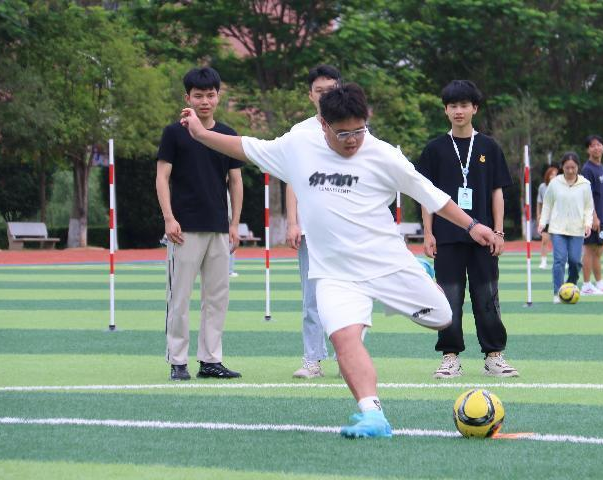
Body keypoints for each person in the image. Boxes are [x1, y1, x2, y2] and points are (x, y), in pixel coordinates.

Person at [179, 83, 500, 438]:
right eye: (343, 133)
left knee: (442, 317)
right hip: (334, 274)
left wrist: (473, 226)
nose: (352, 140)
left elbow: (432, 195)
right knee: (344, 339)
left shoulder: (383, 155)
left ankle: (419, 272)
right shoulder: (298, 147)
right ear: (323, 124)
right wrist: (200, 134)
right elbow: (244, 146)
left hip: (387, 262)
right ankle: (373, 414)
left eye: (359, 130)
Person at [417, 79, 518, 379]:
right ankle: (450, 357)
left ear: (475, 108)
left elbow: (497, 192)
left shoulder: (489, 147)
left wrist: (498, 231)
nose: (458, 111)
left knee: (487, 296)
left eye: (464, 105)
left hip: (484, 237)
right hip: (447, 237)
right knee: (448, 298)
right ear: (445, 110)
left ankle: (494, 356)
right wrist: (428, 232)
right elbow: (426, 195)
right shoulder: (434, 149)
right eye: (453, 106)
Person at [155, 67, 244, 381]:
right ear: (187, 98)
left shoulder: (228, 134)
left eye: (210, 95)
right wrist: (169, 218)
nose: (205, 101)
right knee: (179, 298)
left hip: (219, 228)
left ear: (218, 97)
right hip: (183, 230)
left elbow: (235, 181)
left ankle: (210, 360)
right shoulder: (174, 133)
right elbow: (162, 177)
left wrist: (235, 223)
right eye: (198, 96)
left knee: (217, 298)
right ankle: (178, 361)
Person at [286, 64, 342, 379]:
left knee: (349, 294)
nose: (325, 96)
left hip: (345, 227)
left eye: (330, 90)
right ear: (310, 95)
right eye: (319, 91)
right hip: (311, 229)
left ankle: (348, 357)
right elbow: (291, 178)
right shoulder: (300, 133)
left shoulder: (355, 127)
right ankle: (312, 359)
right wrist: (292, 222)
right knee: (312, 296)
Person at [538, 152, 594, 304]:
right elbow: (547, 204)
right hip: (557, 228)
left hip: (577, 229)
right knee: (559, 260)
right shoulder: (555, 183)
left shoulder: (585, 184)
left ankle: (570, 287)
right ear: (562, 167)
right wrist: (543, 222)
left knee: (575, 261)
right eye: (567, 167)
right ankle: (557, 292)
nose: (570, 170)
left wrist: (588, 224)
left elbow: (588, 207)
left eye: (573, 167)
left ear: (578, 167)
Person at [580, 135, 603, 295]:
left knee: (599, 250)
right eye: (592, 145)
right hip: (591, 218)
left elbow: (602, 195)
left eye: (599, 144)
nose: (596, 148)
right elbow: (586, 195)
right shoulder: (587, 169)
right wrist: (593, 216)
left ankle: (599, 283)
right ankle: (586, 285)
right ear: (588, 149)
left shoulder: (601, 167)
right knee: (589, 249)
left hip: (601, 217)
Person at [536, 165, 560, 269]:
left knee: (559, 242)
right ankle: (543, 261)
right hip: (546, 219)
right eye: (552, 174)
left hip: (558, 219)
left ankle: (562, 261)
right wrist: (538, 215)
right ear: (548, 175)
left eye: (555, 175)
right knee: (545, 240)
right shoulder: (542, 187)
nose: (553, 176)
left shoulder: (561, 187)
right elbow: (539, 202)